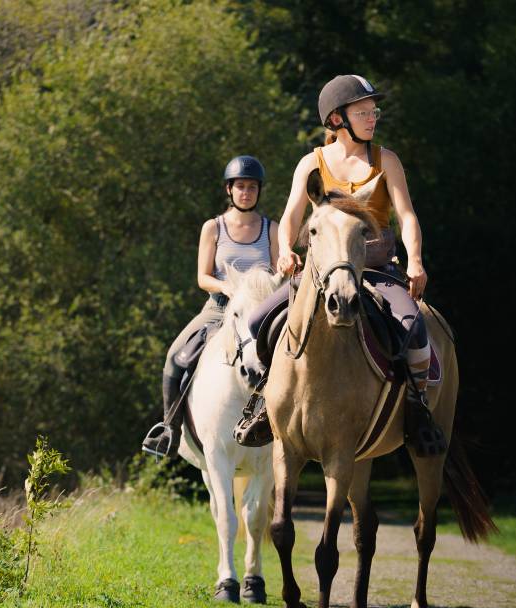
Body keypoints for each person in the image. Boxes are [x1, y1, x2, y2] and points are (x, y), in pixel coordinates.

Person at [235, 75, 446, 457]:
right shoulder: (311, 164)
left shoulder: (387, 160)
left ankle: (418, 410)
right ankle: (268, 405)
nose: (372, 118)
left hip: (377, 269)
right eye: (363, 112)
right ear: (337, 120)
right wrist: (285, 249)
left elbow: (407, 217)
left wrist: (414, 260)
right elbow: (291, 218)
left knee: (413, 329)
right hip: (320, 273)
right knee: (257, 322)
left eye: (373, 111)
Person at [142, 155, 279, 458]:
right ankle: (169, 430)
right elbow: (203, 277)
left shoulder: (272, 229)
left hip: (259, 314)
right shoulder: (213, 228)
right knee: (174, 359)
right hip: (218, 309)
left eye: (252, 187)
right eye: (241, 186)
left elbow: (279, 272)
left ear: (259, 191)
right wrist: (225, 287)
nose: (246, 192)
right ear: (229, 190)